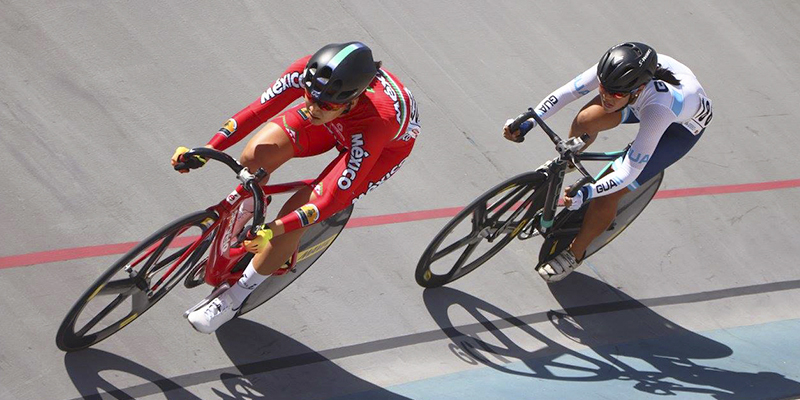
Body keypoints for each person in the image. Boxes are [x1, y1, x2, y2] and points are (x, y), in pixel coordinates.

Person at [172, 41, 420, 333]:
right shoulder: (309, 75)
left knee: (296, 215)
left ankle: (235, 297)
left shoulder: (377, 123)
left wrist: (273, 230)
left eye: (325, 104)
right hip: (336, 124)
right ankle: (247, 211)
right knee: (256, 156)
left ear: (352, 100)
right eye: (310, 97)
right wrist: (207, 148)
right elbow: (257, 111)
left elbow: (328, 200)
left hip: (380, 148)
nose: (313, 107)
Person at [503, 42, 712, 283]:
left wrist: (590, 191)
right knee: (585, 120)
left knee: (609, 191)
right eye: (603, 88)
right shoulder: (614, 72)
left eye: (615, 94)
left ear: (638, 89)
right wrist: (528, 121)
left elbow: (629, 171)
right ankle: (569, 163)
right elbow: (567, 93)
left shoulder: (659, 109)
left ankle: (575, 252)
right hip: (638, 101)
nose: (606, 97)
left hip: (681, 128)